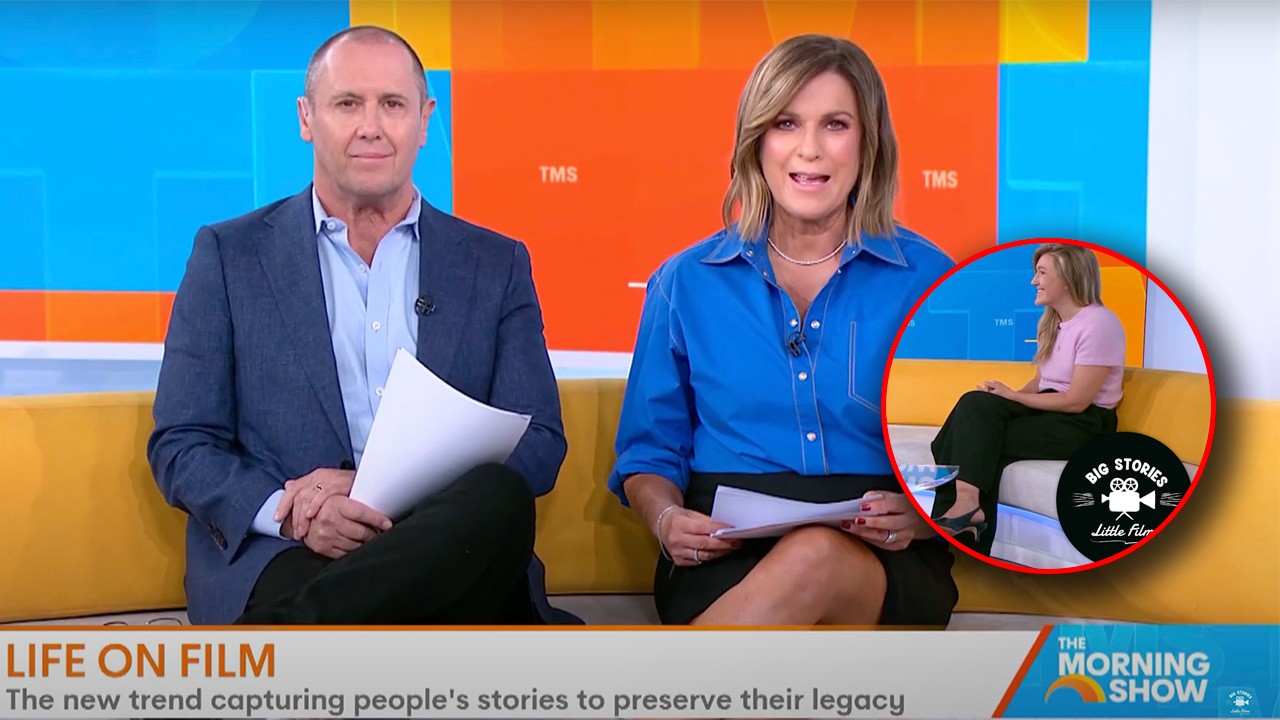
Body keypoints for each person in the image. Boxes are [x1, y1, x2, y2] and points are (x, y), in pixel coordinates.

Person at [148, 26, 570, 626]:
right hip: (289, 553)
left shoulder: (494, 263)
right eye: (348, 103)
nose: (371, 126)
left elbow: (540, 440)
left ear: (425, 121)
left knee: (497, 495)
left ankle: (280, 641)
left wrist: (396, 502)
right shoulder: (230, 256)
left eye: (392, 104)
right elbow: (183, 443)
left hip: (448, 546)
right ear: (306, 117)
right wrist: (295, 512)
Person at [606, 34, 959, 628]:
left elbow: (978, 454)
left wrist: (926, 516)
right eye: (786, 123)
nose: (809, 149)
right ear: (757, 141)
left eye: (835, 125)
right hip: (723, 547)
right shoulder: (684, 282)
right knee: (800, 571)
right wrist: (666, 520)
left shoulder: (932, 281)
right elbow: (649, 452)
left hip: (882, 552)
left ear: (868, 142)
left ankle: (661, 680)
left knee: (814, 557)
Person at [929, 243, 1126, 553]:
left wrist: (1012, 399)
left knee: (973, 441)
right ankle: (966, 510)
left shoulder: (1099, 323)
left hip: (1083, 424)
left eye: (1042, 273)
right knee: (975, 405)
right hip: (1050, 412)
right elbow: (1040, 383)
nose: (1034, 281)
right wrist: (1005, 399)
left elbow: (1076, 401)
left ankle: (956, 535)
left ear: (1068, 278)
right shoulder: (1051, 323)